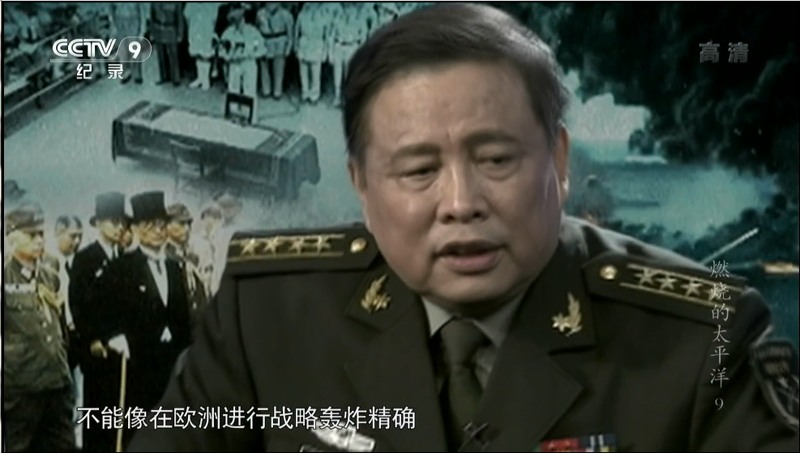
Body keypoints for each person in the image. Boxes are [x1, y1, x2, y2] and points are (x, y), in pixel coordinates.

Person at [128, 4, 799, 452]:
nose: (460, 202)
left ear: (559, 161)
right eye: (419, 169)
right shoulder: (264, 313)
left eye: (496, 159)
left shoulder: (708, 334)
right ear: (362, 184)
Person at [95, 191, 192, 448]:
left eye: (161, 225)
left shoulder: (175, 268)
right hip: (138, 362)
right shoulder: (122, 267)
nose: (158, 231)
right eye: (150, 225)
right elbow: (103, 308)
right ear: (136, 229)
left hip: (171, 361)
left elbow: (182, 314)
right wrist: (114, 336)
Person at [4, 204, 74, 453]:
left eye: (41, 234)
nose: (38, 240)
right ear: (12, 238)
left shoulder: (49, 276)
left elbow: (60, 327)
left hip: (56, 383)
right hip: (21, 388)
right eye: (30, 235)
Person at [69, 192, 127, 452]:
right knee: (97, 413)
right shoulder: (85, 258)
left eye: (122, 222)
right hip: (98, 351)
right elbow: (78, 305)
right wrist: (93, 339)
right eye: (113, 222)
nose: (119, 228)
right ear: (99, 223)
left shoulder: (122, 257)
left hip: (121, 349)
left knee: (118, 412)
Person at [165, 202, 208, 334]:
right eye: (181, 223)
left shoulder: (191, 257)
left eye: (189, 224)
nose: (187, 229)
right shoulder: (165, 257)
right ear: (167, 225)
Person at [220, 4, 263, 99]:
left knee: (250, 89)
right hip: (234, 63)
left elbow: (261, 48)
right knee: (233, 87)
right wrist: (227, 56)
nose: (237, 23)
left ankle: (250, 106)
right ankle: (233, 106)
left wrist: (251, 54)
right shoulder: (228, 33)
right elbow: (222, 49)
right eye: (233, 19)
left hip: (249, 62)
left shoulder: (253, 32)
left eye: (239, 19)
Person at [255, 1, 294, 99]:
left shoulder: (286, 14)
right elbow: (257, 29)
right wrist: (257, 45)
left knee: (279, 69)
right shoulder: (260, 13)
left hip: (280, 42)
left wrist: (288, 47)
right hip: (265, 41)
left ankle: (277, 91)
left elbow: (290, 32)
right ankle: (266, 90)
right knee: (264, 68)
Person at [184, 1, 221, 90]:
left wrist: (212, 31)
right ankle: (200, 78)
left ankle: (206, 79)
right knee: (197, 53)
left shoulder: (212, 4)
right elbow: (187, 17)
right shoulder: (190, 3)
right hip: (195, 29)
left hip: (206, 30)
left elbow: (214, 19)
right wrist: (192, 27)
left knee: (205, 54)